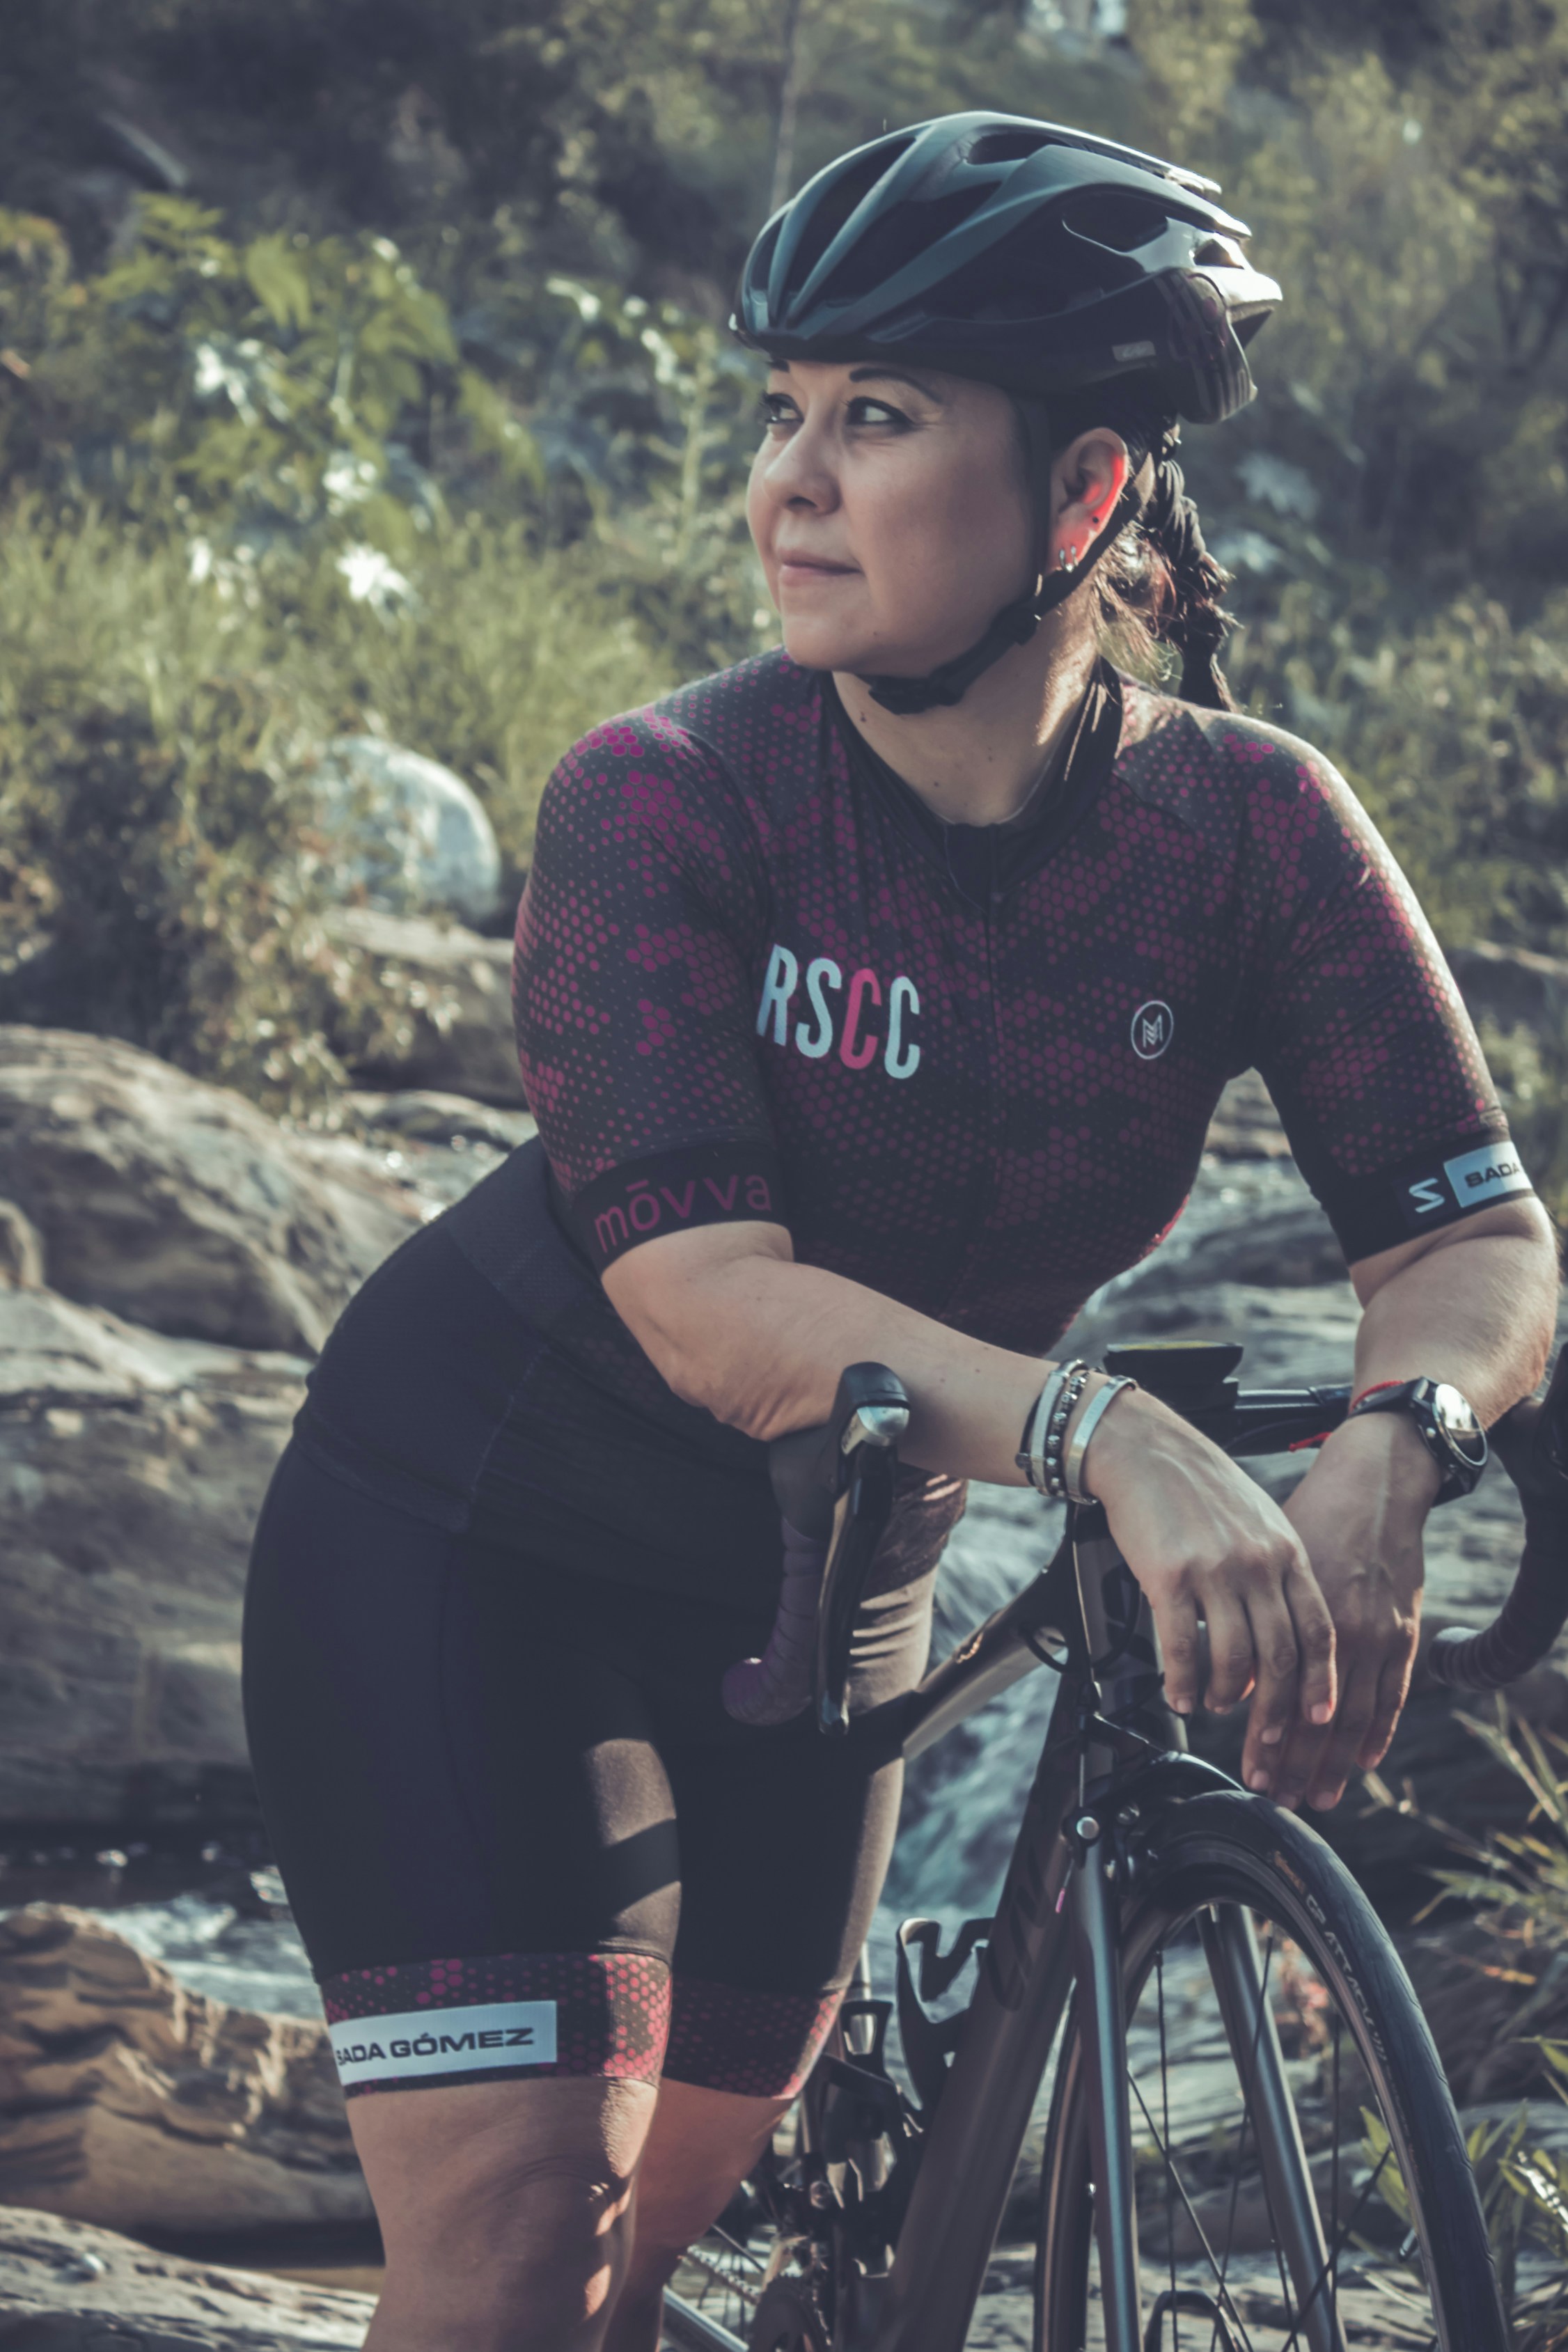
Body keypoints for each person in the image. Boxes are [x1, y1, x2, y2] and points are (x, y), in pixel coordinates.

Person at [242, 111, 1558, 2352]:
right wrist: (1110, 1437)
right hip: (471, 1544)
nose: (788, 482)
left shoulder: (1248, 831)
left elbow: (1473, 1231)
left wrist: (1386, 1446)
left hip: (820, 1623)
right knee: (522, 2236)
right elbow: (714, 1304)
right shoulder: (664, 796)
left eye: (874, 418)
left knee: (658, 2261)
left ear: (1082, 496)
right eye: (781, 416)